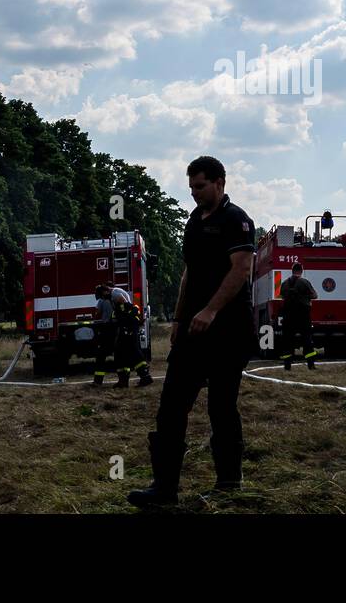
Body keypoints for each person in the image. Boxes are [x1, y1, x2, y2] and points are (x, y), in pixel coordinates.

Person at [128, 156, 256, 507]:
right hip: (194, 332)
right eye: (191, 188)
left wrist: (211, 310)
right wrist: (181, 320)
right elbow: (189, 273)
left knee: (221, 407)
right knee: (171, 405)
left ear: (219, 183)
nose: (195, 194)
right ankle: (164, 489)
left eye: (200, 186)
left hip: (229, 331)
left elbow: (241, 269)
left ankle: (229, 484)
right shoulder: (193, 222)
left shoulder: (237, 221)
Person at [279, 261, 318, 370]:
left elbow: (282, 297)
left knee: (287, 341)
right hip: (303, 316)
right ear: (301, 271)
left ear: (292, 271)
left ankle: (287, 365)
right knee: (307, 340)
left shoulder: (284, 284)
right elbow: (315, 295)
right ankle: (311, 365)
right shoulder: (304, 282)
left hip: (288, 317)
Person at [111, 287, 153, 387]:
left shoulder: (125, 308)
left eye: (115, 298)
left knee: (128, 355)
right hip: (128, 334)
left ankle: (143, 377)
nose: (114, 300)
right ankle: (126, 380)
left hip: (127, 335)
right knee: (124, 356)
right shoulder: (132, 308)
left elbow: (123, 320)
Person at [92, 285, 116, 386]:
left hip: (106, 328)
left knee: (101, 355)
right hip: (115, 328)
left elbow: (97, 313)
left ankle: (98, 380)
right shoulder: (115, 298)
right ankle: (123, 379)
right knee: (118, 354)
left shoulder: (102, 301)